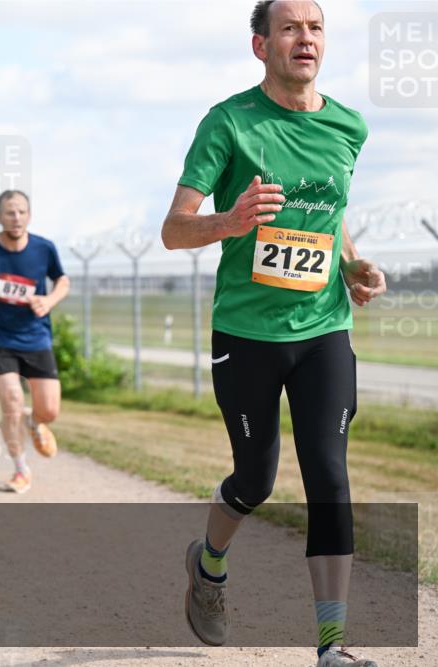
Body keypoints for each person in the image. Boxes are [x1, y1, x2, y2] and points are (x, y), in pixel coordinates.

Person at [160, 3, 386, 665]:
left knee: (329, 473)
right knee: (255, 480)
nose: (305, 37)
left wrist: (351, 265)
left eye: (315, 27)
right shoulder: (228, 122)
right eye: (290, 28)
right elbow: (174, 229)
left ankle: (331, 646)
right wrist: (228, 222)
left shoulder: (348, 126)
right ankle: (209, 563)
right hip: (247, 332)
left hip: (323, 329)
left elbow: (333, 213)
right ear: (261, 45)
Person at [0, 190, 70, 494]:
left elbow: (63, 280)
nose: (15, 217)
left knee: (50, 411)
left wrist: (49, 300)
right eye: (9, 212)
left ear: (29, 215)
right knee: (12, 401)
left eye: (20, 211)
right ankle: (21, 470)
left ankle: (35, 423)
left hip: (35, 336)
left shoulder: (44, 248)